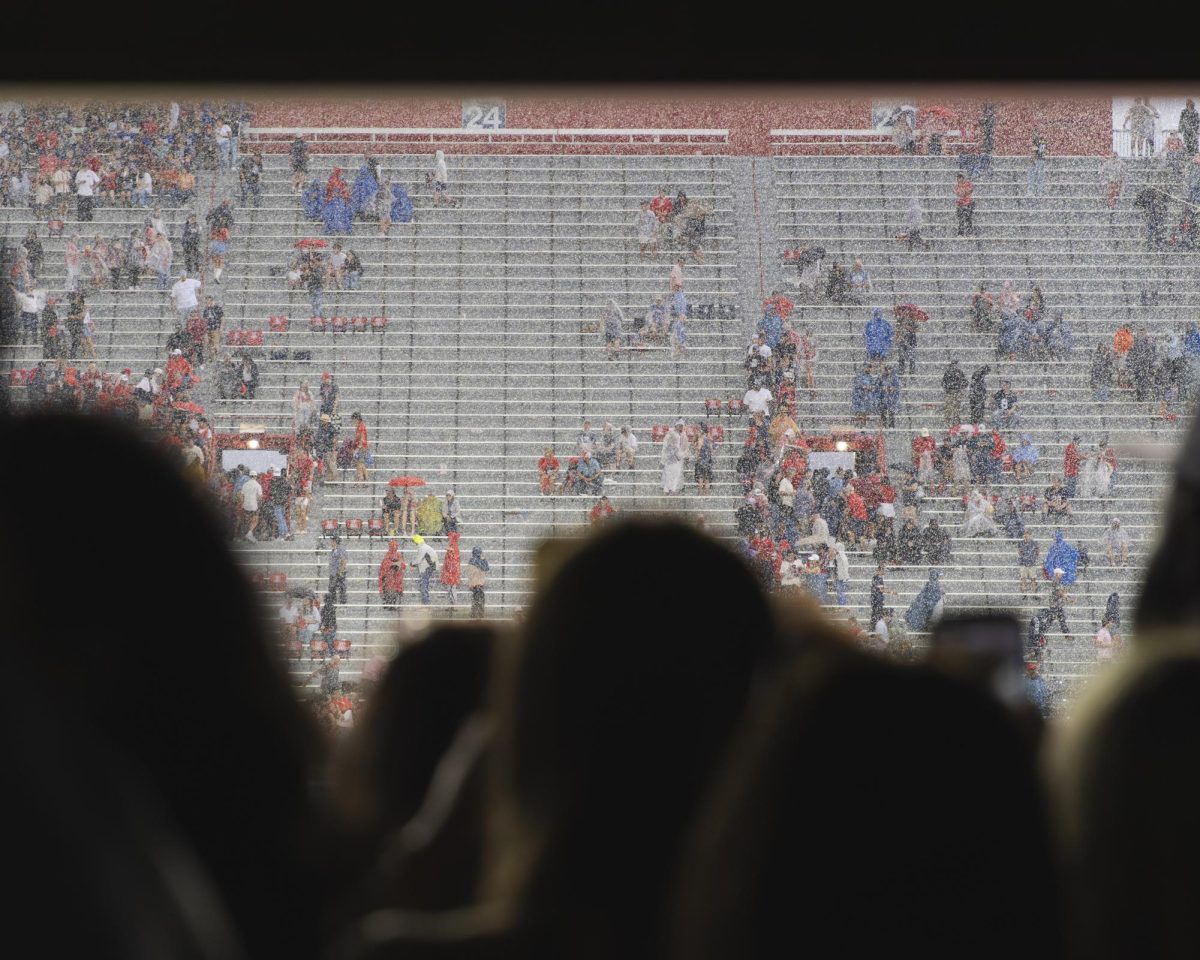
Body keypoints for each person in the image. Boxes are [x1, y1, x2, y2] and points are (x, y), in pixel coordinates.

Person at [661, 420, 688, 495]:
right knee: (672, 474)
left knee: (673, 474)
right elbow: (670, 448)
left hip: (673, 459)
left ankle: (670, 489)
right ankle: (669, 489)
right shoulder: (672, 435)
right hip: (673, 459)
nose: (680, 427)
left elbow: (684, 447)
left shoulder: (681, 435)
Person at [412, 534, 439, 605]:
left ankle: (425, 601)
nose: (414, 544)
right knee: (424, 583)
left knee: (424, 583)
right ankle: (425, 600)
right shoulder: (426, 547)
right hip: (430, 567)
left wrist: (412, 563)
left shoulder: (423, 548)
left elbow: (418, 559)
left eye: (414, 542)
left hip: (429, 568)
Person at [466, 546, 489, 618]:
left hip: (474, 584)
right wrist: (483, 559)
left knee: (475, 599)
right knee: (480, 599)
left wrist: (470, 583)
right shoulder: (483, 561)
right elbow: (486, 568)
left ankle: (474, 613)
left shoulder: (472, 561)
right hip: (480, 584)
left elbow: (470, 574)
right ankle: (480, 613)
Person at [239, 470, 262, 541]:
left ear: (249, 476)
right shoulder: (257, 485)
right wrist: (258, 502)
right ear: (255, 476)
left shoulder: (245, 484)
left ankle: (247, 534)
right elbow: (260, 497)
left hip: (246, 505)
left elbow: (241, 495)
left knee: (248, 520)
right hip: (253, 505)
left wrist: (242, 504)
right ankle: (249, 533)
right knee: (255, 520)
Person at [440, 530, 462, 605]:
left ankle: (454, 602)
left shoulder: (454, 546)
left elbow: (452, 552)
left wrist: (447, 548)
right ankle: (453, 602)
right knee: (451, 587)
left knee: (451, 588)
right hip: (451, 570)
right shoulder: (454, 545)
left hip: (451, 571)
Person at [1027, 129, 1048, 199]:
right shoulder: (1042, 142)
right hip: (1040, 160)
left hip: (1038, 160)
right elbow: (1044, 151)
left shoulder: (1038, 142)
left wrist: (1033, 158)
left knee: (1034, 176)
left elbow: (1035, 151)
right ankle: (1039, 192)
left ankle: (1033, 191)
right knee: (1038, 176)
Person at [1018, 531, 1040, 597]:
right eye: (1024, 534)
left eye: (1027, 534)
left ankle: (1034, 594)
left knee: (1033, 579)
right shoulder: (1021, 543)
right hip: (1024, 563)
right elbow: (1019, 552)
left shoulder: (1034, 543)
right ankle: (1024, 594)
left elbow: (1037, 551)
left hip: (1031, 563)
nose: (1025, 535)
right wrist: (1024, 557)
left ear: (1030, 535)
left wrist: (1032, 558)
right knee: (1023, 579)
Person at [328, 535, 349, 603]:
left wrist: (340, 571)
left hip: (339, 572)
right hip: (333, 573)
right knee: (332, 588)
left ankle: (342, 602)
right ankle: (333, 601)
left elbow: (344, 560)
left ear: (335, 542)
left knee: (341, 588)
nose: (331, 543)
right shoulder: (333, 550)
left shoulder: (341, 550)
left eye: (332, 541)